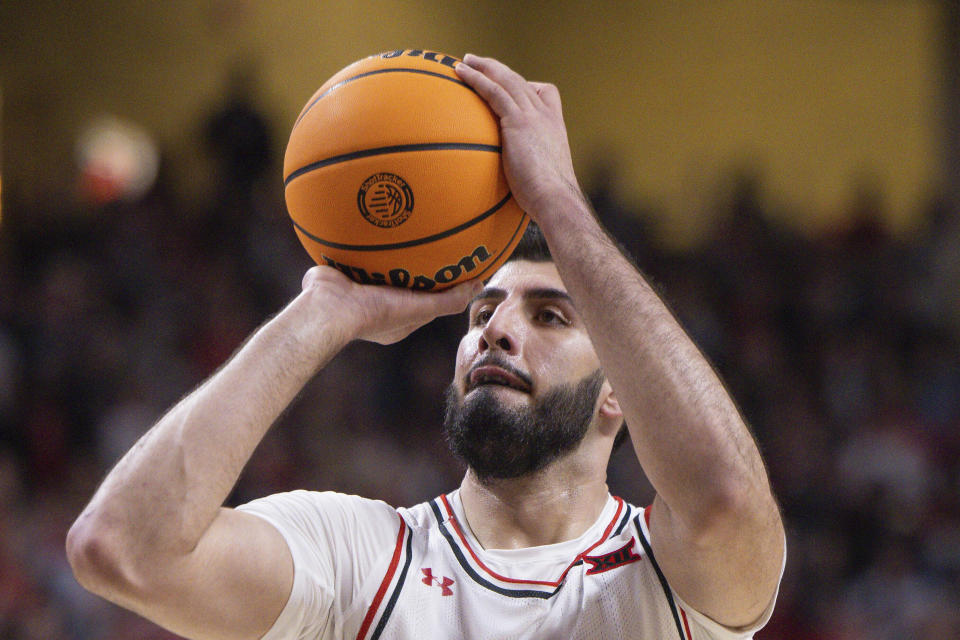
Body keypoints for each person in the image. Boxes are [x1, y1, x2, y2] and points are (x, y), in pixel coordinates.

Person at [66, 54, 785, 640]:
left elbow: (725, 497)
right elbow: (124, 550)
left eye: (552, 317)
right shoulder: (360, 558)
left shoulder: (669, 570)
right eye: (483, 310)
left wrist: (562, 204)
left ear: (618, 389)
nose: (496, 329)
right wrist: (322, 312)